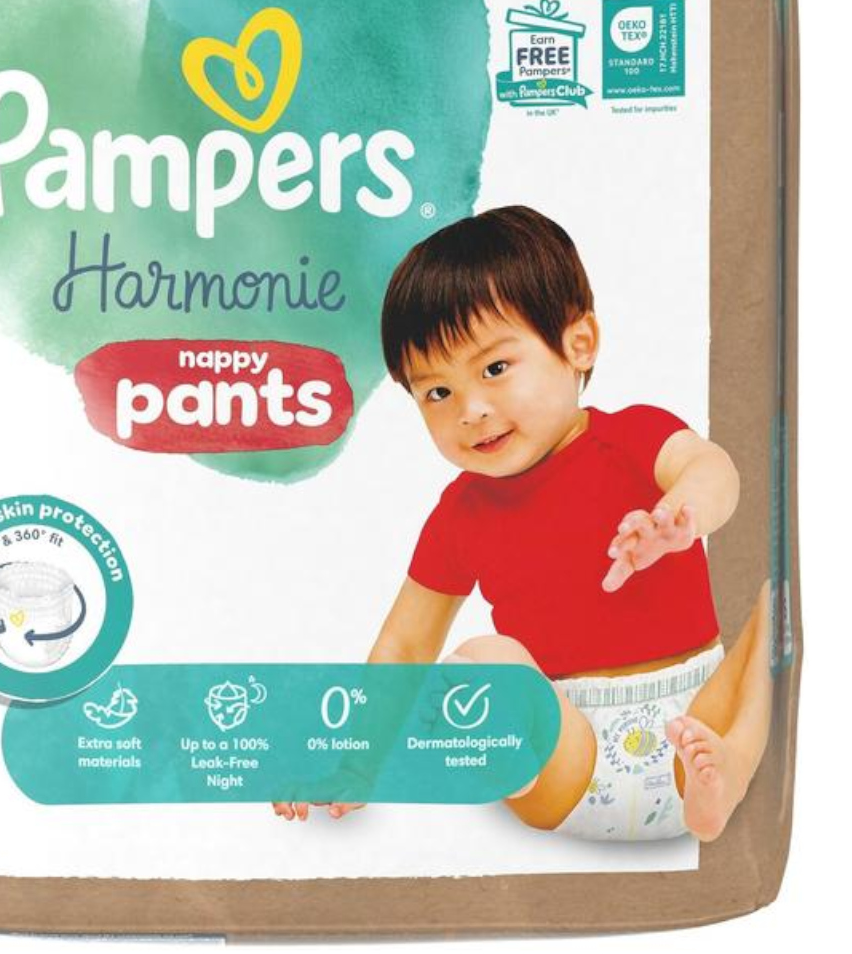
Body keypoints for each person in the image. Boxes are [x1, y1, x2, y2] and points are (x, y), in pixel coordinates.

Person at [274, 205, 772, 842]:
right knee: (486, 661)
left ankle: (729, 770)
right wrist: (355, 760)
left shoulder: (633, 438)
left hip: (695, 727)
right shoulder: (460, 514)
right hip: (568, 760)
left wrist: (683, 513)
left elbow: (713, 468)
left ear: (578, 343)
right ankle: (493, 760)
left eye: (494, 369)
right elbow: (404, 646)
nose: (471, 410)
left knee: (774, 607)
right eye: (437, 392)